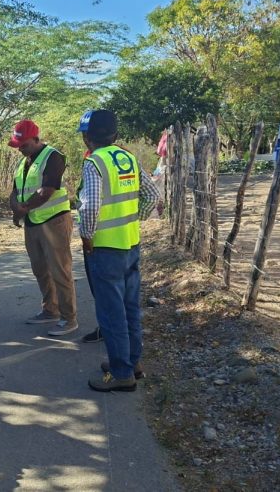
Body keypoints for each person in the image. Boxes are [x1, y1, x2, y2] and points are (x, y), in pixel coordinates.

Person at [77, 109, 161, 392]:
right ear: (115, 135)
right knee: (129, 308)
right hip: (130, 243)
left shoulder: (94, 163)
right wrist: (134, 219)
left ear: (86, 138)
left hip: (105, 248)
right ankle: (132, 362)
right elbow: (152, 195)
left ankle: (121, 373)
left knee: (111, 313)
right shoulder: (128, 157)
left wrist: (86, 236)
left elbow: (89, 207)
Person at [9, 119, 78, 336]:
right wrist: (16, 209)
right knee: (40, 269)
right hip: (32, 221)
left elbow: (47, 190)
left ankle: (69, 318)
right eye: (18, 146)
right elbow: (15, 191)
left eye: (24, 145)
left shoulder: (53, 156)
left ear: (37, 139)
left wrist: (23, 208)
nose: (21, 149)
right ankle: (50, 310)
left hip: (54, 220)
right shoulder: (23, 163)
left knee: (60, 270)